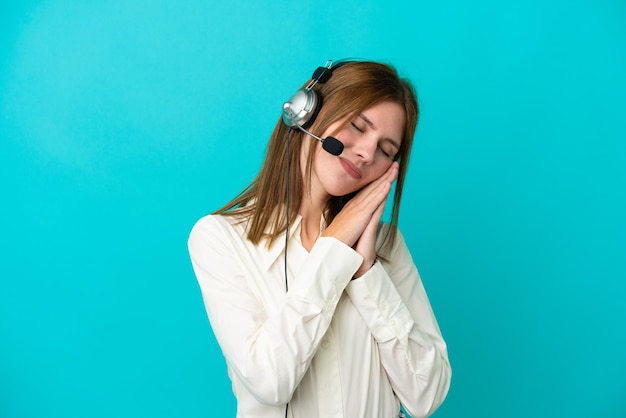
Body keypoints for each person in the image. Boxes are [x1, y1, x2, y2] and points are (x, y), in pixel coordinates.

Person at [188, 60, 451, 418]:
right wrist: (337, 245)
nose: (366, 153)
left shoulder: (387, 246)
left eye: (386, 150)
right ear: (305, 112)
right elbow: (270, 382)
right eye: (358, 126)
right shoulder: (219, 238)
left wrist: (367, 272)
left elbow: (427, 395)